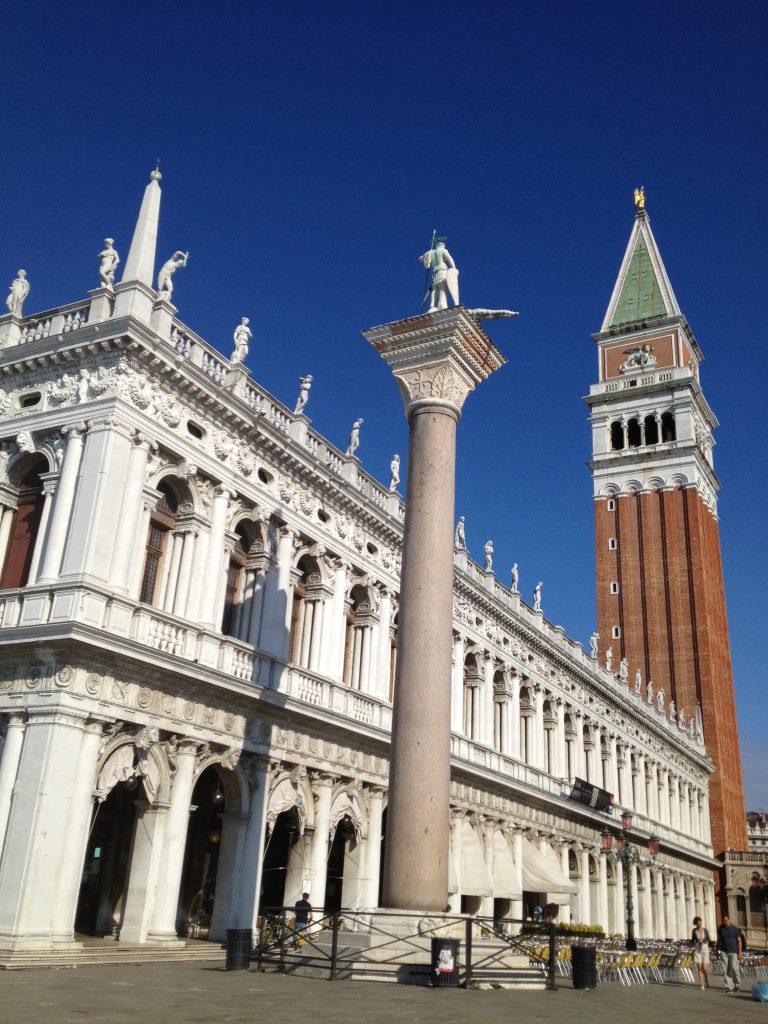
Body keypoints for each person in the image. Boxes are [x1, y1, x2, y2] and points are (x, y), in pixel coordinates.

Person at [717, 913, 744, 992]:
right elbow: (719, 939)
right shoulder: (721, 928)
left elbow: (739, 941)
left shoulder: (735, 929)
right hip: (724, 951)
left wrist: (740, 953)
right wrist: (716, 948)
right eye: (723, 921)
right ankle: (729, 986)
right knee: (725, 969)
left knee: (734, 968)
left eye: (726, 920)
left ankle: (737, 984)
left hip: (733, 951)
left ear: (729, 920)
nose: (724, 922)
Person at [691, 915, 712, 990]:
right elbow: (692, 940)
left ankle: (706, 979)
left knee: (704, 967)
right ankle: (702, 984)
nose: (699, 924)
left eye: (700, 922)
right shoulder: (694, 931)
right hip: (697, 949)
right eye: (698, 923)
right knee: (699, 966)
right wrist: (696, 942)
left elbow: (709, 939)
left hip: (704, 948)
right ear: (695, 923)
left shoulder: (705, 930)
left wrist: (705, 943)